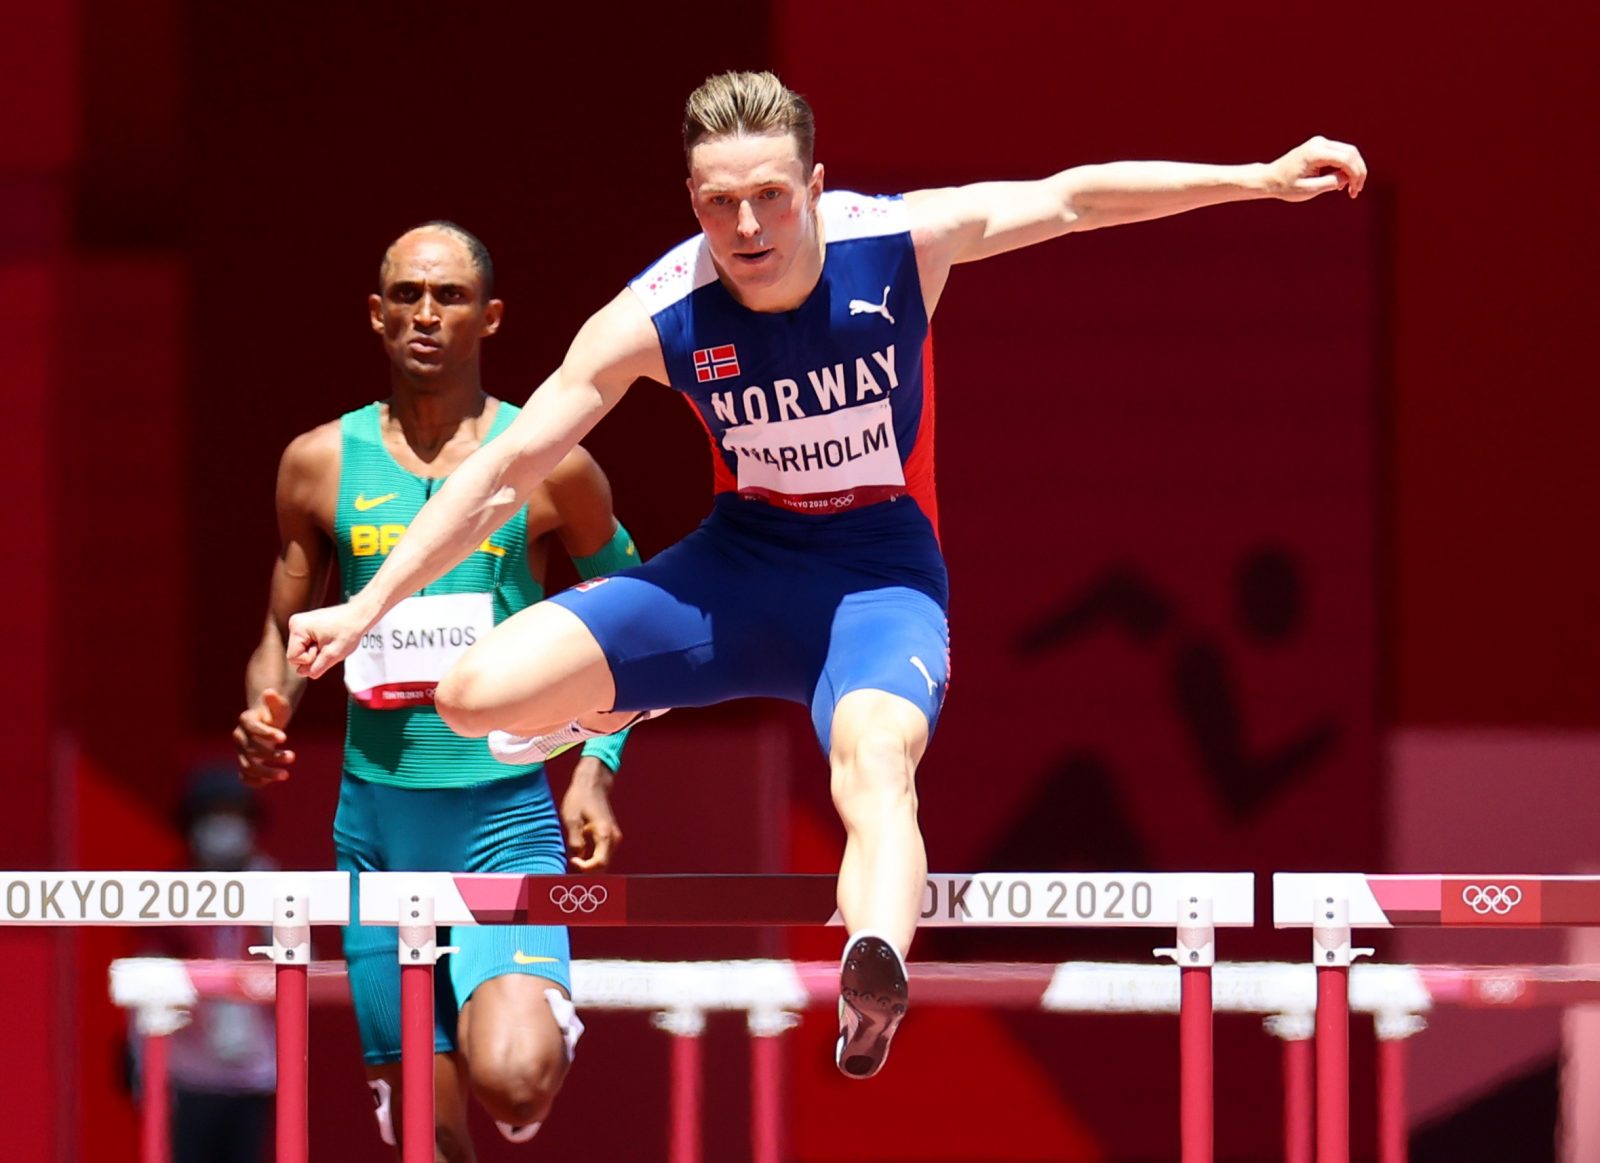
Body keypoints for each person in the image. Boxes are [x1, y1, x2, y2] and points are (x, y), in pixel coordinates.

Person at [283, 72, 1368, 1080]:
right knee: (473, 696)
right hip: (740, 567)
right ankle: (636, 684)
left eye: (768, 196)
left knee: (875, 762)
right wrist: (367, 604)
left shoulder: (897, 240)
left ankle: (873, 967)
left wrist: (1258, 178)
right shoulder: (659, 309)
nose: (745, 228)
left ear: (813, 184)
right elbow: (499, 473)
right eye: (718, 203)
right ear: (692, 200)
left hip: (875, 578)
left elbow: (1072, 199)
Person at [235, 221, 640, 1157]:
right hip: (376, 830)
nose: (427, 315)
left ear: (489, 317)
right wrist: (267, 712)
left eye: (450, 297)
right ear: (376, 316)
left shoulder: (550, 463)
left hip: (503, 819)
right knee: (428, 1132)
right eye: (408, 297)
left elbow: (635, 617)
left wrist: (596, 763)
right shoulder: (317, 465)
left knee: (513, 1075)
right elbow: (278, 635)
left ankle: (530, 1038)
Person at [145, 769, 278, 1163]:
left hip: (253, 1072)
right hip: (189, 1074)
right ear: (192, 825)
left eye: (233, 814)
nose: (224, 826)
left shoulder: (274, 885)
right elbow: (145, 975)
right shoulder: (168, 891)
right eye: (212, 815)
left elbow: (300, 971)